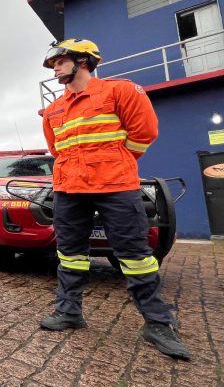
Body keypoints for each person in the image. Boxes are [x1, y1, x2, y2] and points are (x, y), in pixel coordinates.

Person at [39, 39, 190, 360]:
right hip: (68, 189)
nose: (55, 68)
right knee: (69, 253)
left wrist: (112, 163)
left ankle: (158, 322)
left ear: (83, 61)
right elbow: (57, 150)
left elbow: (144, 132)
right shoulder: (52, 110)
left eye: (60, 61)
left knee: (135, 253)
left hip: (115, 186)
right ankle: (69, 311)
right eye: (53, 64)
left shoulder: (119, 91)